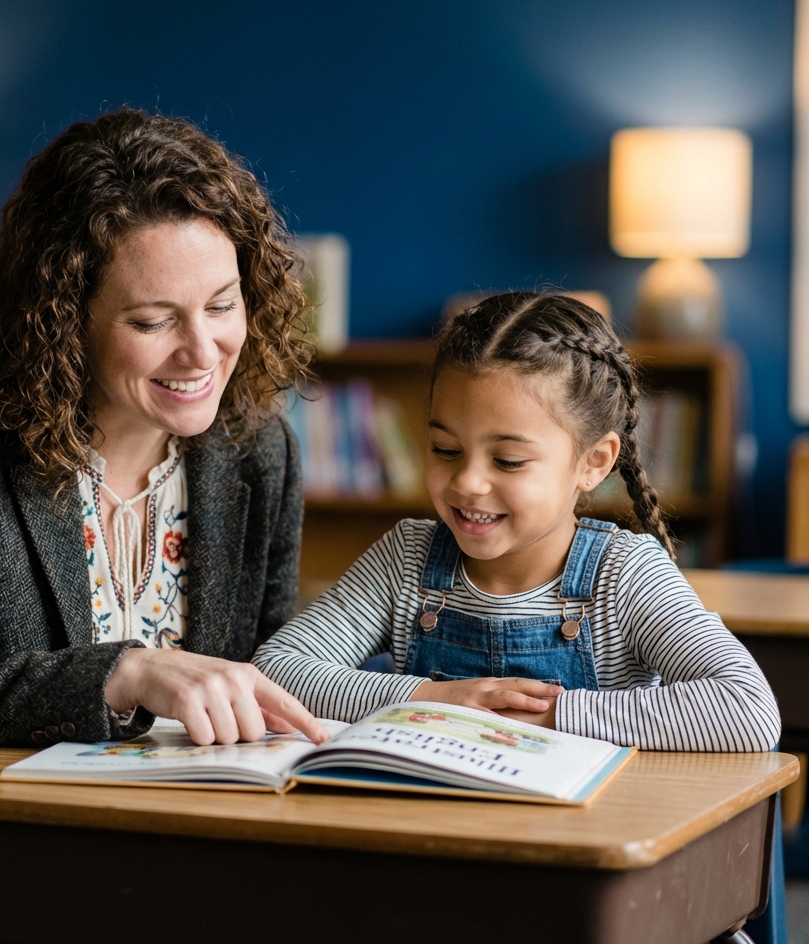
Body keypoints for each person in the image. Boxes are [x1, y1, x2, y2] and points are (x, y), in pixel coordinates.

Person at [0, 108, 326, 940]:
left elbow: (268, 673)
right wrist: (125, 674)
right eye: (153, 321)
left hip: (149, 868)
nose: (204, 351)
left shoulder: (259, 452)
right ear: (61, 321)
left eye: (223, 303)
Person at [254, 291, 780, 751]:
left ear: (594, 462)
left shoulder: (624, 575)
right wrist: (436, 700)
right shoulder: (407, 557)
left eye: (507, 461)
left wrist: (546, 713)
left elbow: (748, 709)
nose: (467, 482)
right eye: (445, 449)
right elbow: (278, 669)